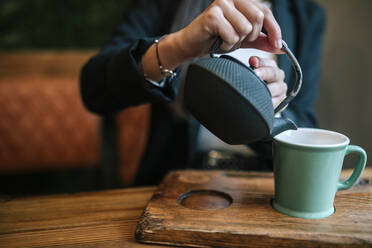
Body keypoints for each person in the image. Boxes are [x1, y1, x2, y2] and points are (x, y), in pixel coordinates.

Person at [80, 0, 325, 185]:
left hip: (264, 187)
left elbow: (304, 125)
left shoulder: (305, 15)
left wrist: (272, 115)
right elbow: (95, 89)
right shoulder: (168, 5)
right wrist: (176, 47)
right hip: (173, 179)